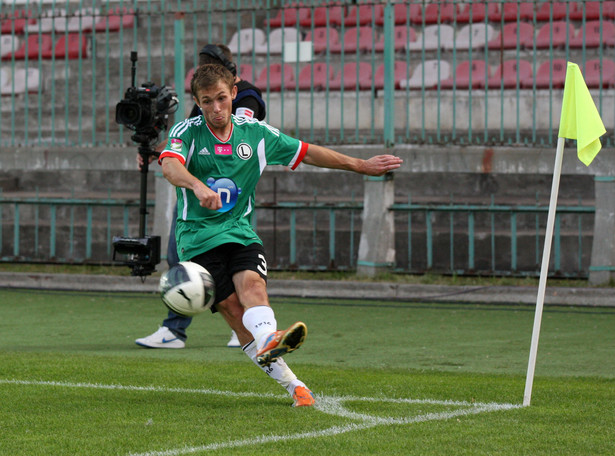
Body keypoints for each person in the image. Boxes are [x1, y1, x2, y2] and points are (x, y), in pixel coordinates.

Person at [156, 63, 403, 406]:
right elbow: (170, 165)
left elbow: (308, 152)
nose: (215, 108)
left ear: (233, 94)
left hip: (239, 230)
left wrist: (360, 165)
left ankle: (271, 338)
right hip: (196, 237)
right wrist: (196, 186)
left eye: (222, 99)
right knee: (232, 310)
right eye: (206, 101)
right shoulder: (187, 131)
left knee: (253, 287)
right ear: (197, 102)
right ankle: (294, 385)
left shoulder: (255, 133)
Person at [135, 44, 266, 350]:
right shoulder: (207, 99)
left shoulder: (246, 97)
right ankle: (176, 328)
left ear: (230, 75)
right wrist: (158, 153)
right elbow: (189, 137)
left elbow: (240, 136)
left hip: (228, 200)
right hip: (197, 198)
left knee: (230, 266)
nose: (215, 106)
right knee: (181, 259)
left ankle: (235, 325)